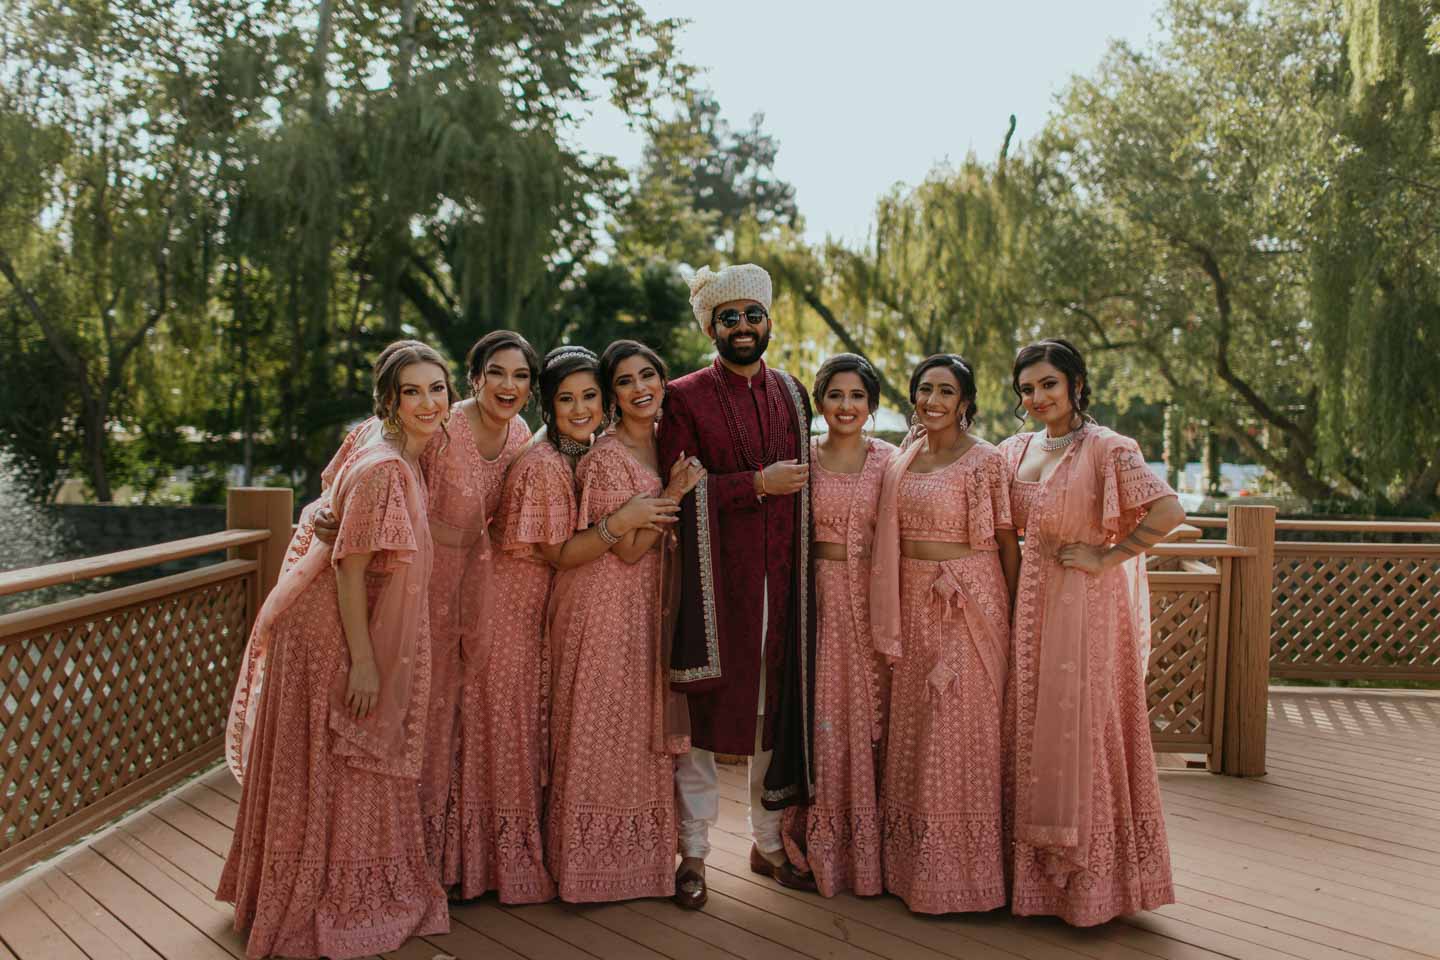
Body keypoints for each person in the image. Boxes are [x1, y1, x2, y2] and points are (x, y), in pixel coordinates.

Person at [219, 340, 452, 959]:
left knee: (331, 759)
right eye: (411, 391)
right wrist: (365, 662)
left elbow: (327, 499)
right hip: (331, 629)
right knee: (343, 756)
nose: (428, 402)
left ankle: (295, 885)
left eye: (437, 388)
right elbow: (350, 568)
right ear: (389, 402)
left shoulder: (381, 441)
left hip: (334, 620)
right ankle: (319, 897)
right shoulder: (384, 467)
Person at [447, 345, 677, 903]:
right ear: (548, 405)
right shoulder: (546, 465)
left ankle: (505, 862)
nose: (580, 409)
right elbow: (561, 554)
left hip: (541, 605)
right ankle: (488, 867)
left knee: (525, 736)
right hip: (511, 604)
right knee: (505, 734)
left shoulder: (582, 451)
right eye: (566, 399)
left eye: (589, 396)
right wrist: (624, 518)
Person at [1000, 338, 1185, 926]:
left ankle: (1088, 884)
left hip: (1083, 603)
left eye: (1048, 384)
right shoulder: (1015, 448)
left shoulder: (1109, 448)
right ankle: (1032, 880)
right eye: (1027, 389)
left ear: (1076, 384)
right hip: (1027, 603)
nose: (1038, 397)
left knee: (1083, 725)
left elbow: (1169, 511)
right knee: (1030, 724)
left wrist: (1108, 556)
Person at [658, 263, 818, 909]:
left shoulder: (794, 393)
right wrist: (756, 483)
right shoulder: (683, 396)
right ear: (711, 327)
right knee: (703, 719)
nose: (743, 326)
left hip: (783, 586)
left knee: (771, 717)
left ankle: (769, 843)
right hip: (715, 587)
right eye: (730, 318)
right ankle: (694, 854)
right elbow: (678, 487)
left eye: (753, 315)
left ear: (769, 321)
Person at [544, 340, 705, 902]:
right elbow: (631, 550)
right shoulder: (608, 457)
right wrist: (674, 491)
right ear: (613, 396)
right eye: (625, 381)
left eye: (648, 376)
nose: (640, 389)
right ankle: (588, 866)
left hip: (644, 605)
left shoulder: (665, 444)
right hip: (603, 603)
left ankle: (638, 864)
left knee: (636, 731)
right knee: (600, 729)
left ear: (663, 381)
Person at [869, 354, 1019, 914]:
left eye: (946, 391)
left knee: (959, 725)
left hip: (968, 602)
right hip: (911, 601)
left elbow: (1005, 541)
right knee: (915, 725)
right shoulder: (902, 458)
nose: (933, 400)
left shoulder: (985, 461)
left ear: (965, 402)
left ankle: (970, 874)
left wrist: (1012, 617)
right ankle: (913, 868)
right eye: (925, 389)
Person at [418, 330, 535, 875]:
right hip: (421, 575)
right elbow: (391, 464)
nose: (508, 386)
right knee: (422, 707)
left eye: (521, 376)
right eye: (497, 373)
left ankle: (453, 856)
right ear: (474, 379)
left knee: (459, 714)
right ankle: (410, 851)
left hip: (478, 582)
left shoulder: (522, 436)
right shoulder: (442, 425)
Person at [780, 354, 896, 898]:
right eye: (835, 395)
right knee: (824, 715)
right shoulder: (801, 459)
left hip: (873, 602)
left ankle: (875, 849)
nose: (846, 406)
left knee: (874, 714)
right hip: (815, 601)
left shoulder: (890, 461)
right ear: (819, 402)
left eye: (857, 396)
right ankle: (823, 842)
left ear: (871, 404)